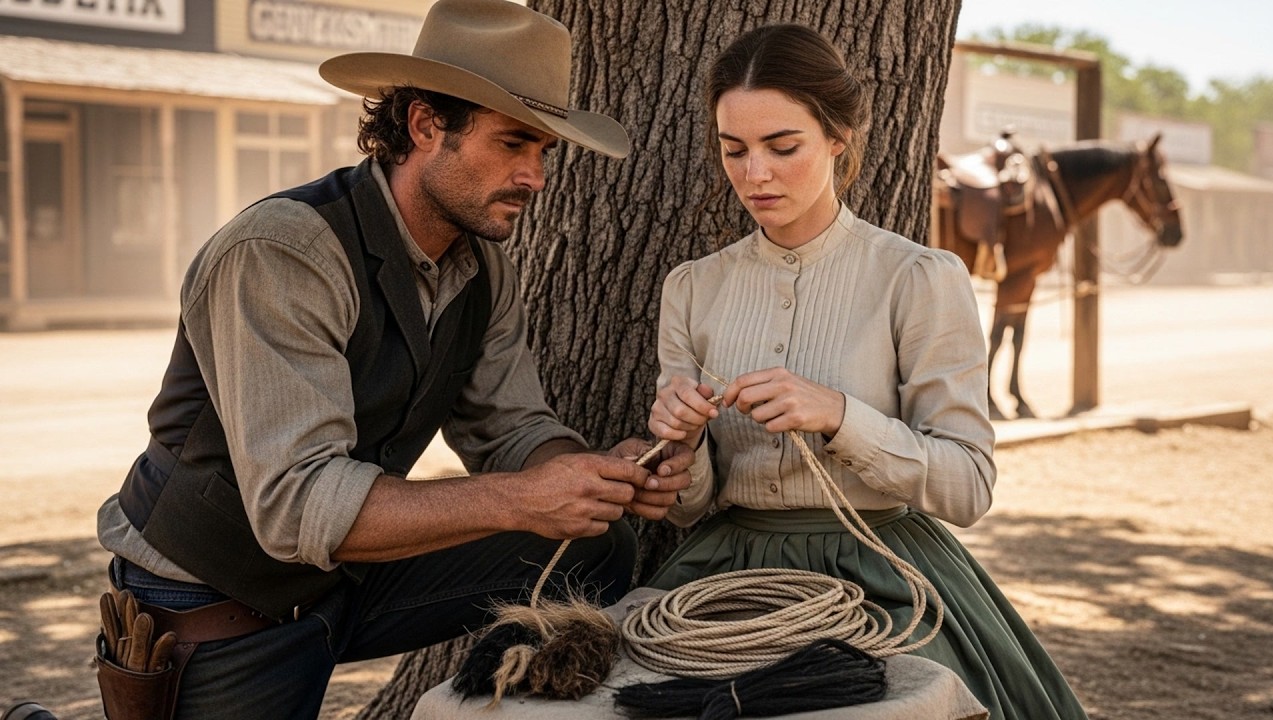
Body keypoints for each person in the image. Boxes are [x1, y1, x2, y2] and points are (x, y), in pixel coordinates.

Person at [86, 1, 693, 718]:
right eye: (513, 144)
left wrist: (593, 476)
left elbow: (512, 428)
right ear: (426, 125)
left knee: (600, 544)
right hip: (214, 598)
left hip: (339, 579)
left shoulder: (482, 268)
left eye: (543, 152)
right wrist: (522, 498)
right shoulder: (284, 251)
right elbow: (295, 506)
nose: (534, 176)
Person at [645, 23, 1089, 720]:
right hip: (722, 576)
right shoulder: (692, 288)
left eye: (782, 146)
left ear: (837, 137)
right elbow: (688, 507)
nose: (754, 174)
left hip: (886, 576)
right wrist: (681, 444)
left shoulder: (919, 278)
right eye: (734, 151)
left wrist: (840, 416)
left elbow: (969, 487)